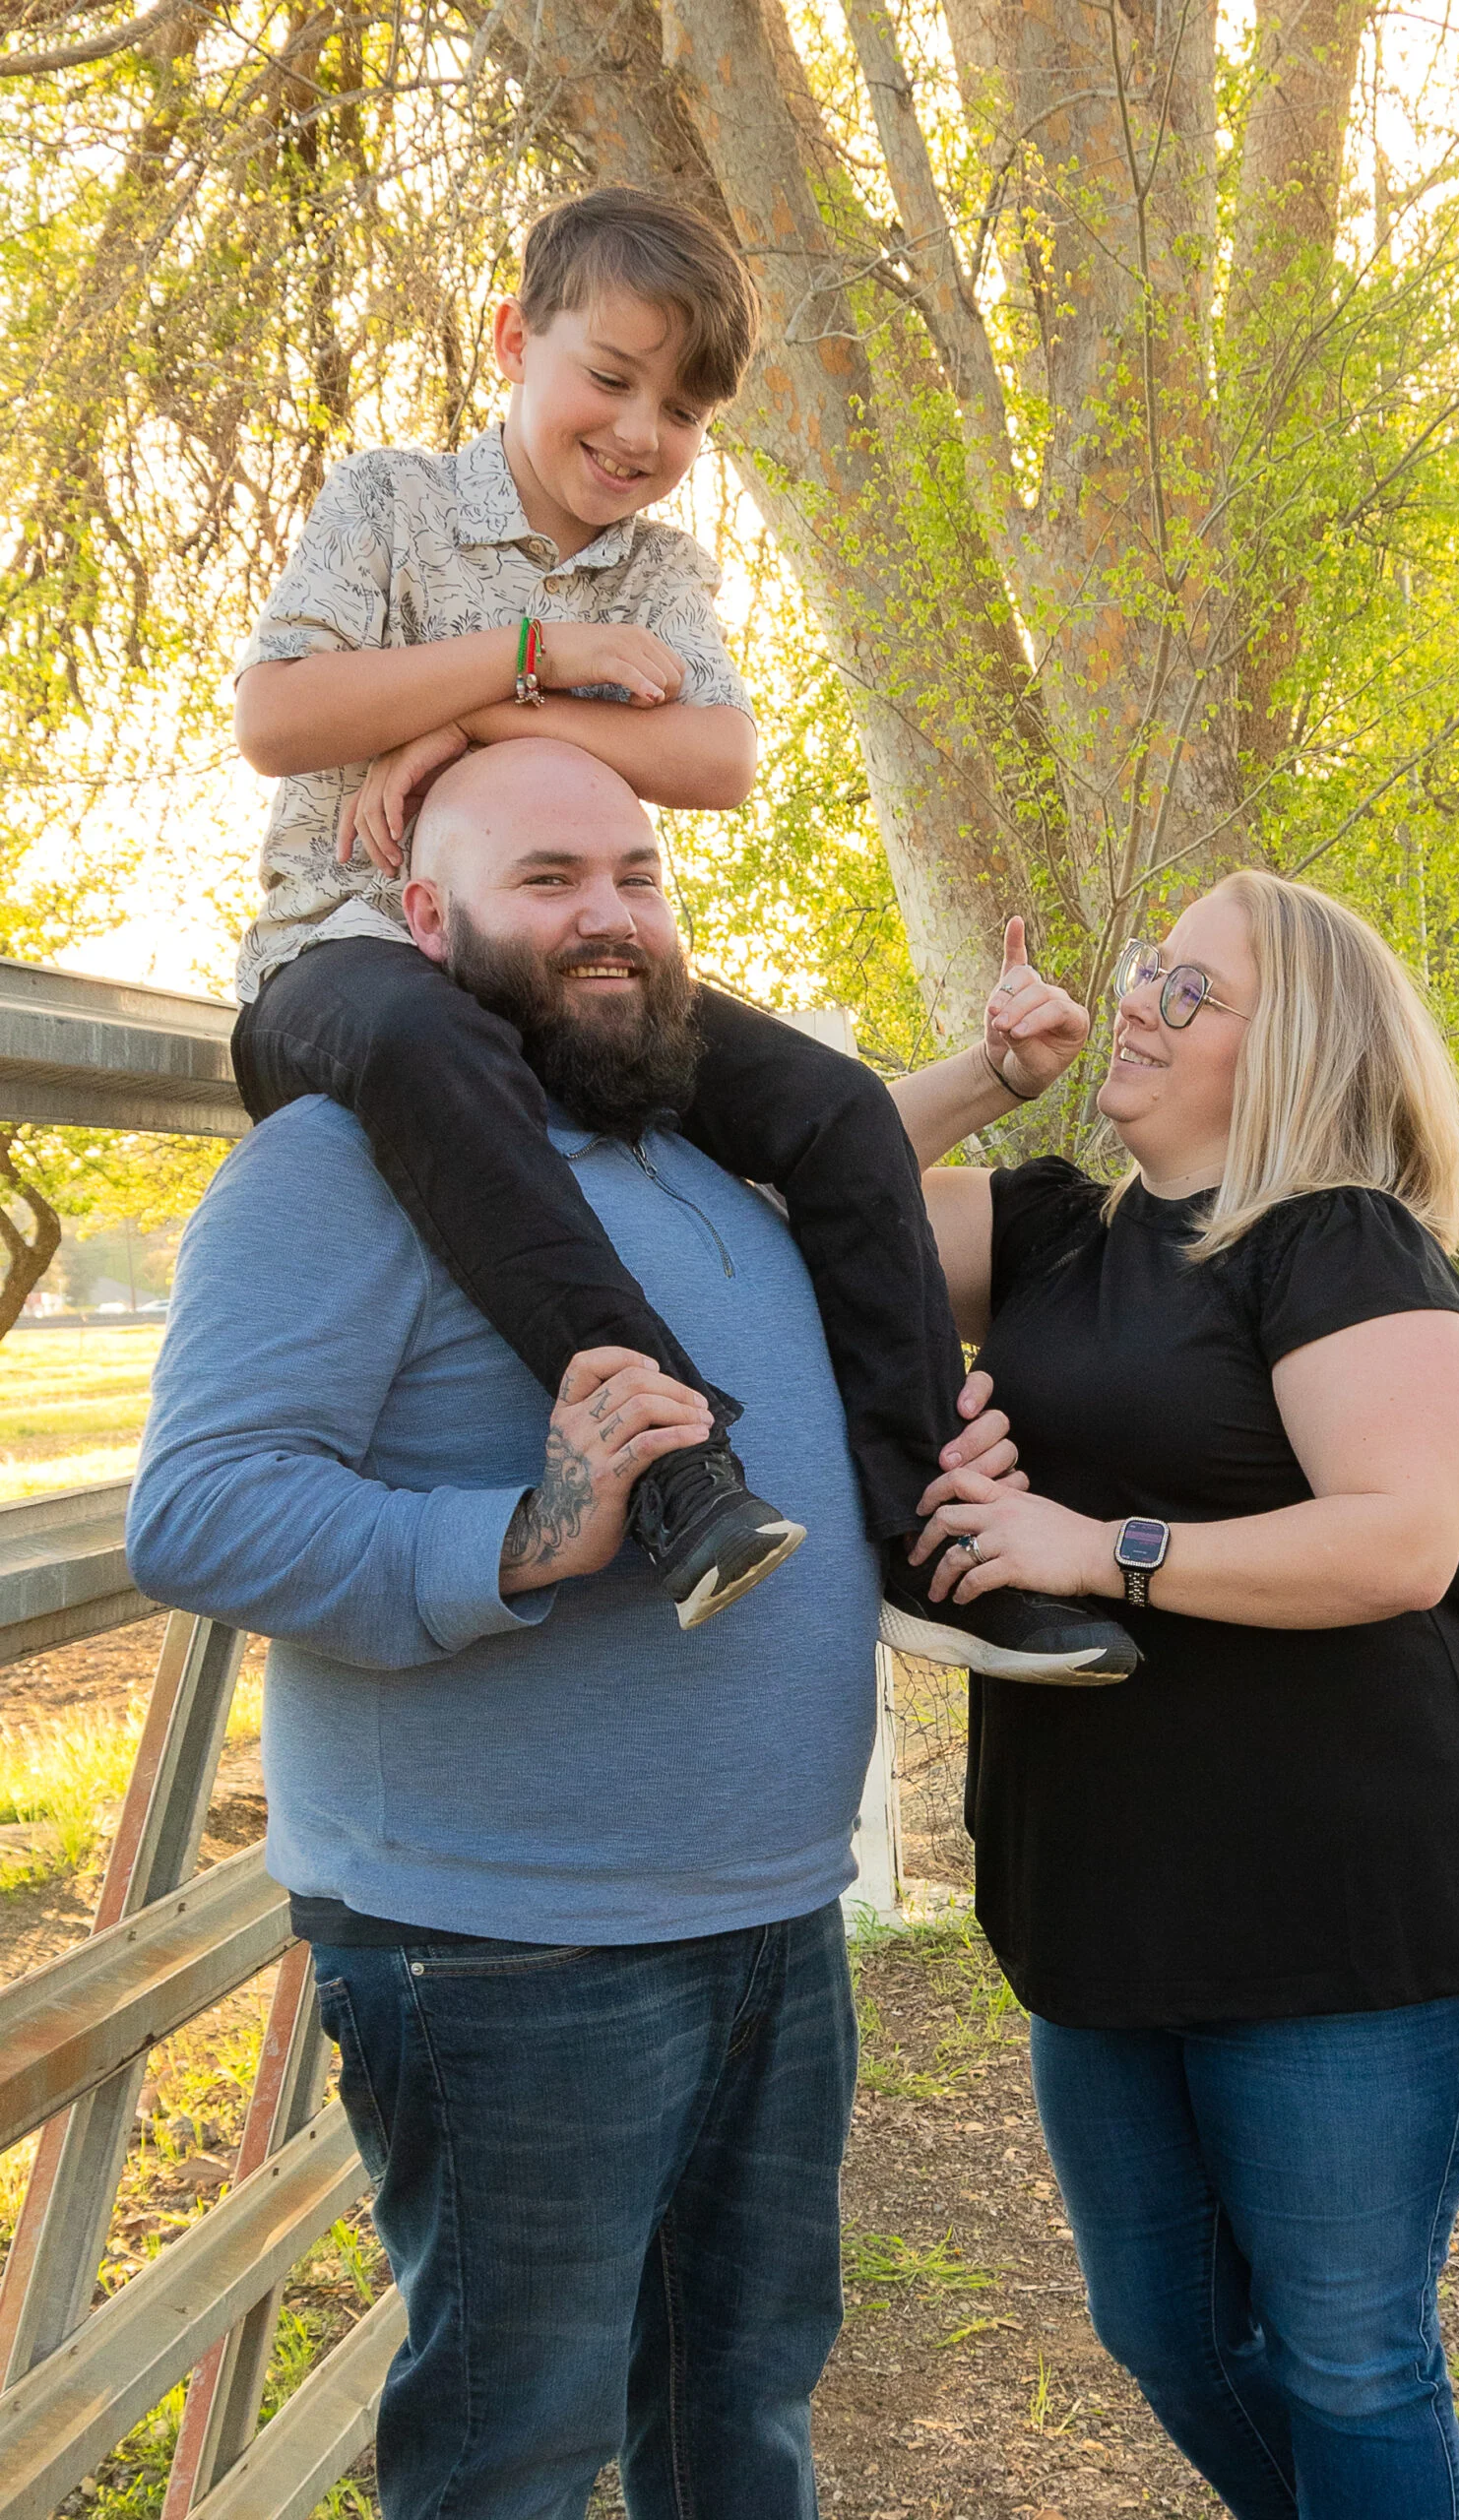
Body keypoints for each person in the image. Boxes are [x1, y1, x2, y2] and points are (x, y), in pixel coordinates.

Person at [126, 739, 1106, 2519]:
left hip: (766, 1919)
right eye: (550, 882)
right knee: (511, 2461)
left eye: (636, 879)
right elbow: (197, 1512)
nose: (609, 920)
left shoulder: (701, 1156)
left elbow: (869, 1222)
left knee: (739, 2427)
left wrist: (932, 1463)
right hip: (506, 1947)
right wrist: (525, 1535)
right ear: (425, 923)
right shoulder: (341, 1168)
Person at [226, 182, 1127, 1679]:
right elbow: (277, 716)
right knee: (423, 1035)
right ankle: (677, 1464)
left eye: (684, 408)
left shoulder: (662, 571)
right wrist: (537, 649)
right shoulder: (387, 501)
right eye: (609, 377)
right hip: (353, 965)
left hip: (574, 974)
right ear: (515, 338)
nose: (643, 432)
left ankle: (927, 1534)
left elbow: (716, 764)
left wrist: (466, 717)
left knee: (837, 1113)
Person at [906, 870, 1459, 2519]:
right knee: (1159, 2327)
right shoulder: (1049, 1230)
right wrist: (983, 1079)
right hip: (1102, 1881)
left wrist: (1093, 1547)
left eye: (1190, 991)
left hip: (1354, 1894)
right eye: (1147, 967)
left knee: (1347, 2348)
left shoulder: (1331, 1239)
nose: (1137, 1001)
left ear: (1287, 1051)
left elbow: (1394, 1544)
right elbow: (793, 1184)